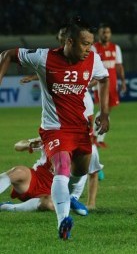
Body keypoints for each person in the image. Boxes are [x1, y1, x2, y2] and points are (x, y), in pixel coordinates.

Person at [0, 17, 110, 240]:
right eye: (85, 43)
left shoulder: (93, 59)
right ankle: (63, 222)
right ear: (69, 42)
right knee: (61, 166)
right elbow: (8, 54)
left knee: (79, 171)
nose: (89, 49)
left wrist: (105, 113)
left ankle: (66, 197)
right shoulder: (44, 57)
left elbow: (105, 79)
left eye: (91, 43)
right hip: (55, 128)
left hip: (79, 129)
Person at [19, 24, 105, 210]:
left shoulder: (89, 57)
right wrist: (36, 77)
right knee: (65, 164)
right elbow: (56, 72)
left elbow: (98, 77)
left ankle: (78, 194)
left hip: (80, 124)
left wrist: (102, 114)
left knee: (86, 159)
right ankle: (67, 204)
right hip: (60, 129)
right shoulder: (51, 58)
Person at [0, 138, 89, 216]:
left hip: (56, 189)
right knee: (18, 172)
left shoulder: (80, 150)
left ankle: (7, 207)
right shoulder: (51, 137)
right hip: (35, 179)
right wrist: (30, 144)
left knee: (49, 203)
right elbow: (17, 146)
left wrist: (77, 199)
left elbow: (85, 175)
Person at [91, 23, 127, 148]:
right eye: (103, 32)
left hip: (112, 83)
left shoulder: (115, 48)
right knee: (103, 110)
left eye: (107, 32)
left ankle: (98, 138)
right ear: (99, 34)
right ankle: (94, 136)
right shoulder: (94, 48)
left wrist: (123, 82)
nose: (105, 34)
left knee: (107, 111)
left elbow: (119, 66)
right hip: (100, 83)